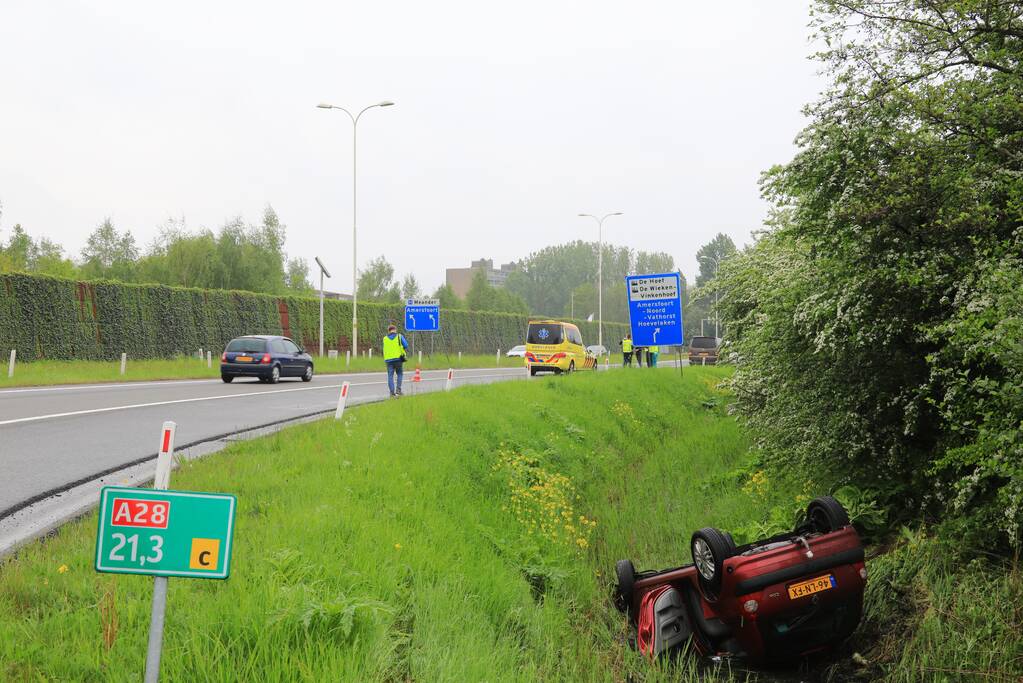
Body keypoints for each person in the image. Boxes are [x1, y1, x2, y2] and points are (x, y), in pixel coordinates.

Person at [382, 324, 409, 397]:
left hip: (388, 360)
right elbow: (406, 345)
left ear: (389, 331)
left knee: (390, 376)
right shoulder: (399, 336)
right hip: (398, 359)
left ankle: (392, 393)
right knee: (399, 374)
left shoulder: (385, 338)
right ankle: (398, 391)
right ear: (395, 330)